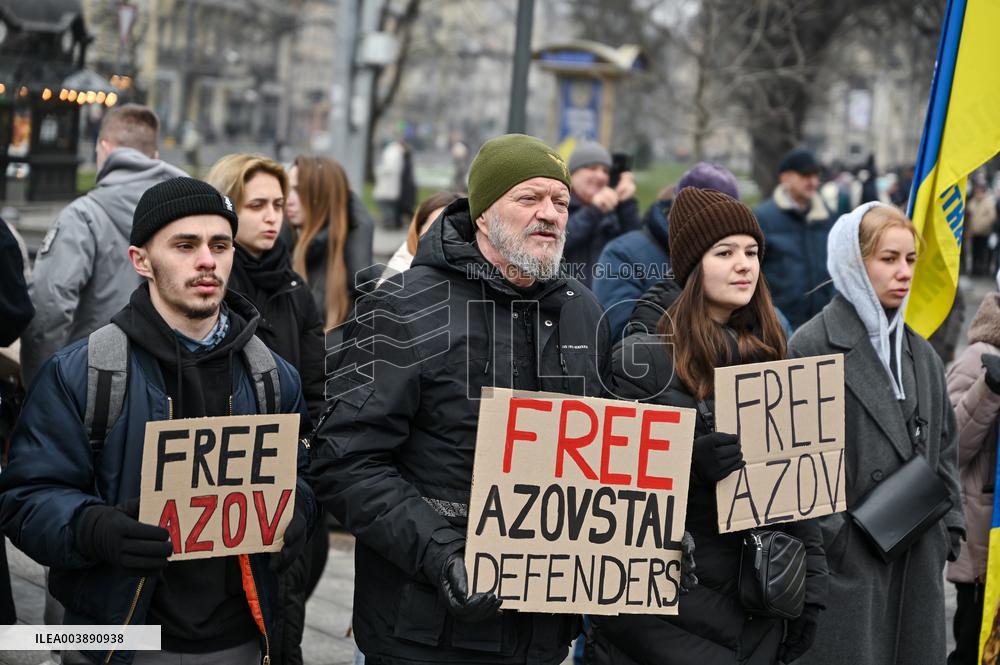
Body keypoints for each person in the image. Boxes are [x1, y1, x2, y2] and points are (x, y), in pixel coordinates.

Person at [310, 134, 611, 665]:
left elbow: (607, 452)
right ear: (482, 214)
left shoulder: (582, 311)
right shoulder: (402, 307)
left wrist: (657, 530)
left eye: (560, 202)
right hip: (425, 631)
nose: (549, 214)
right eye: (529, 198)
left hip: (541, 636)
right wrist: (441, 553)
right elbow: (344, 460)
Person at [0, 177, 316, 664]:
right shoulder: (83, 373)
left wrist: (298, 513)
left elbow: (303, 477)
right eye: (184, 245)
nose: (207, 260)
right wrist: (93, 528)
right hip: (117, 640)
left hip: (241, 639)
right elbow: (24, 499)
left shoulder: (272, 377)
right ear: (140, 260)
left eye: (220, 244)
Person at [586, 187, 827, 665]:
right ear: (692, 266)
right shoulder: (643, 357)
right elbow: (608, 489)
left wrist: (811, 593)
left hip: (758, 608)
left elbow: (800, 490)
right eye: (725, 252)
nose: (744, 265)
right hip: (664, 616)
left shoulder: (773, 351)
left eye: (752, 252)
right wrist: (688, 463)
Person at [789, 202, 964, 665]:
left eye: (909, 260)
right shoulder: (809, 345)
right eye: (888, 259)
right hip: (851, 573)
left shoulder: (921, 353)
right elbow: (795, 470)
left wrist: (949, 529)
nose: (903, 272)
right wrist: (837, 544)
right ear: (853, 261)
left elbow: (945, 446)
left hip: (917, 562)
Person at [205, 155, 328, 665]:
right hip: (210, 489)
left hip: (282, 499)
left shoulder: (297, 291)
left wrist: (305, 470)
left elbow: (319, 394)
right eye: (257, 205)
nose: (273, 216)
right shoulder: (208, 286)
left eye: (278, 204)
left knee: (282, 634)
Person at [20, 104, 186, 384]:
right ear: (155, 157)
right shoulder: (187, 215)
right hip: (168, 384)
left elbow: (50, 307)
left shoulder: (83, 216)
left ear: (104, 148)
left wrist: (40, 385)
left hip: (93, 383)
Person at [593, 163, 739, 339]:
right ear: (679, 209)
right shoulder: (623, 254)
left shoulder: (739, 256)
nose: (720, 228)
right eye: (707, 215)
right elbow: (620, 334)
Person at [942, 274, 1000, 665]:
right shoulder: (977, 356)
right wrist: (989, 388)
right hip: (985, 553)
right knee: (974, 651)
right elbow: (951, 448)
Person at [285, 156, 375, 330]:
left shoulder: (351, 267)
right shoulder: (286, 249)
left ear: (323, 196)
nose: (288, 200)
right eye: (287, 190)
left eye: (298, 190)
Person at [752, 148, 836, 331]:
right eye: (806, 175)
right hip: (777, 328)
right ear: (785, 178)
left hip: (822, 328)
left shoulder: (829, 218)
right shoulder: (761, 218)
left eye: (816, 175)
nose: (813, 182)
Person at [563, 141, 641, 288]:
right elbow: (561, 240)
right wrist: (594, 210)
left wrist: (626, 203)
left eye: (605, 171)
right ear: (573, 174)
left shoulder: (614, 210)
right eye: (592, 168)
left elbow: (636, 248)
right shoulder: (559, 205)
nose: (600, 176)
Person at [380, 190, 459, 282]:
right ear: (418, 229)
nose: (445, 235)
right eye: (435, 227)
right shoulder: (398, 270)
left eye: (455, 228)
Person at [373, 137, 407, 229]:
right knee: (390, 205)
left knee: (385, 205)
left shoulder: (392, 152)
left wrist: (378, 171)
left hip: (387, 185)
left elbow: (388, 168)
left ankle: (389, 223)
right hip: (392, 185)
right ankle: (391, 223)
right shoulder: (397, 152)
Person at [966, 181, 996, 276]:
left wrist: (983, 225)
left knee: (983, 252)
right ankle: (974, 269)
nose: (978, 193)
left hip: (985, 233)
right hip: (974, 233)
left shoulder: (988, 202)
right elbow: (968, 212)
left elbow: (992, 216)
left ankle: (983, 270)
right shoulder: (973, 201)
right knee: (974, 252)